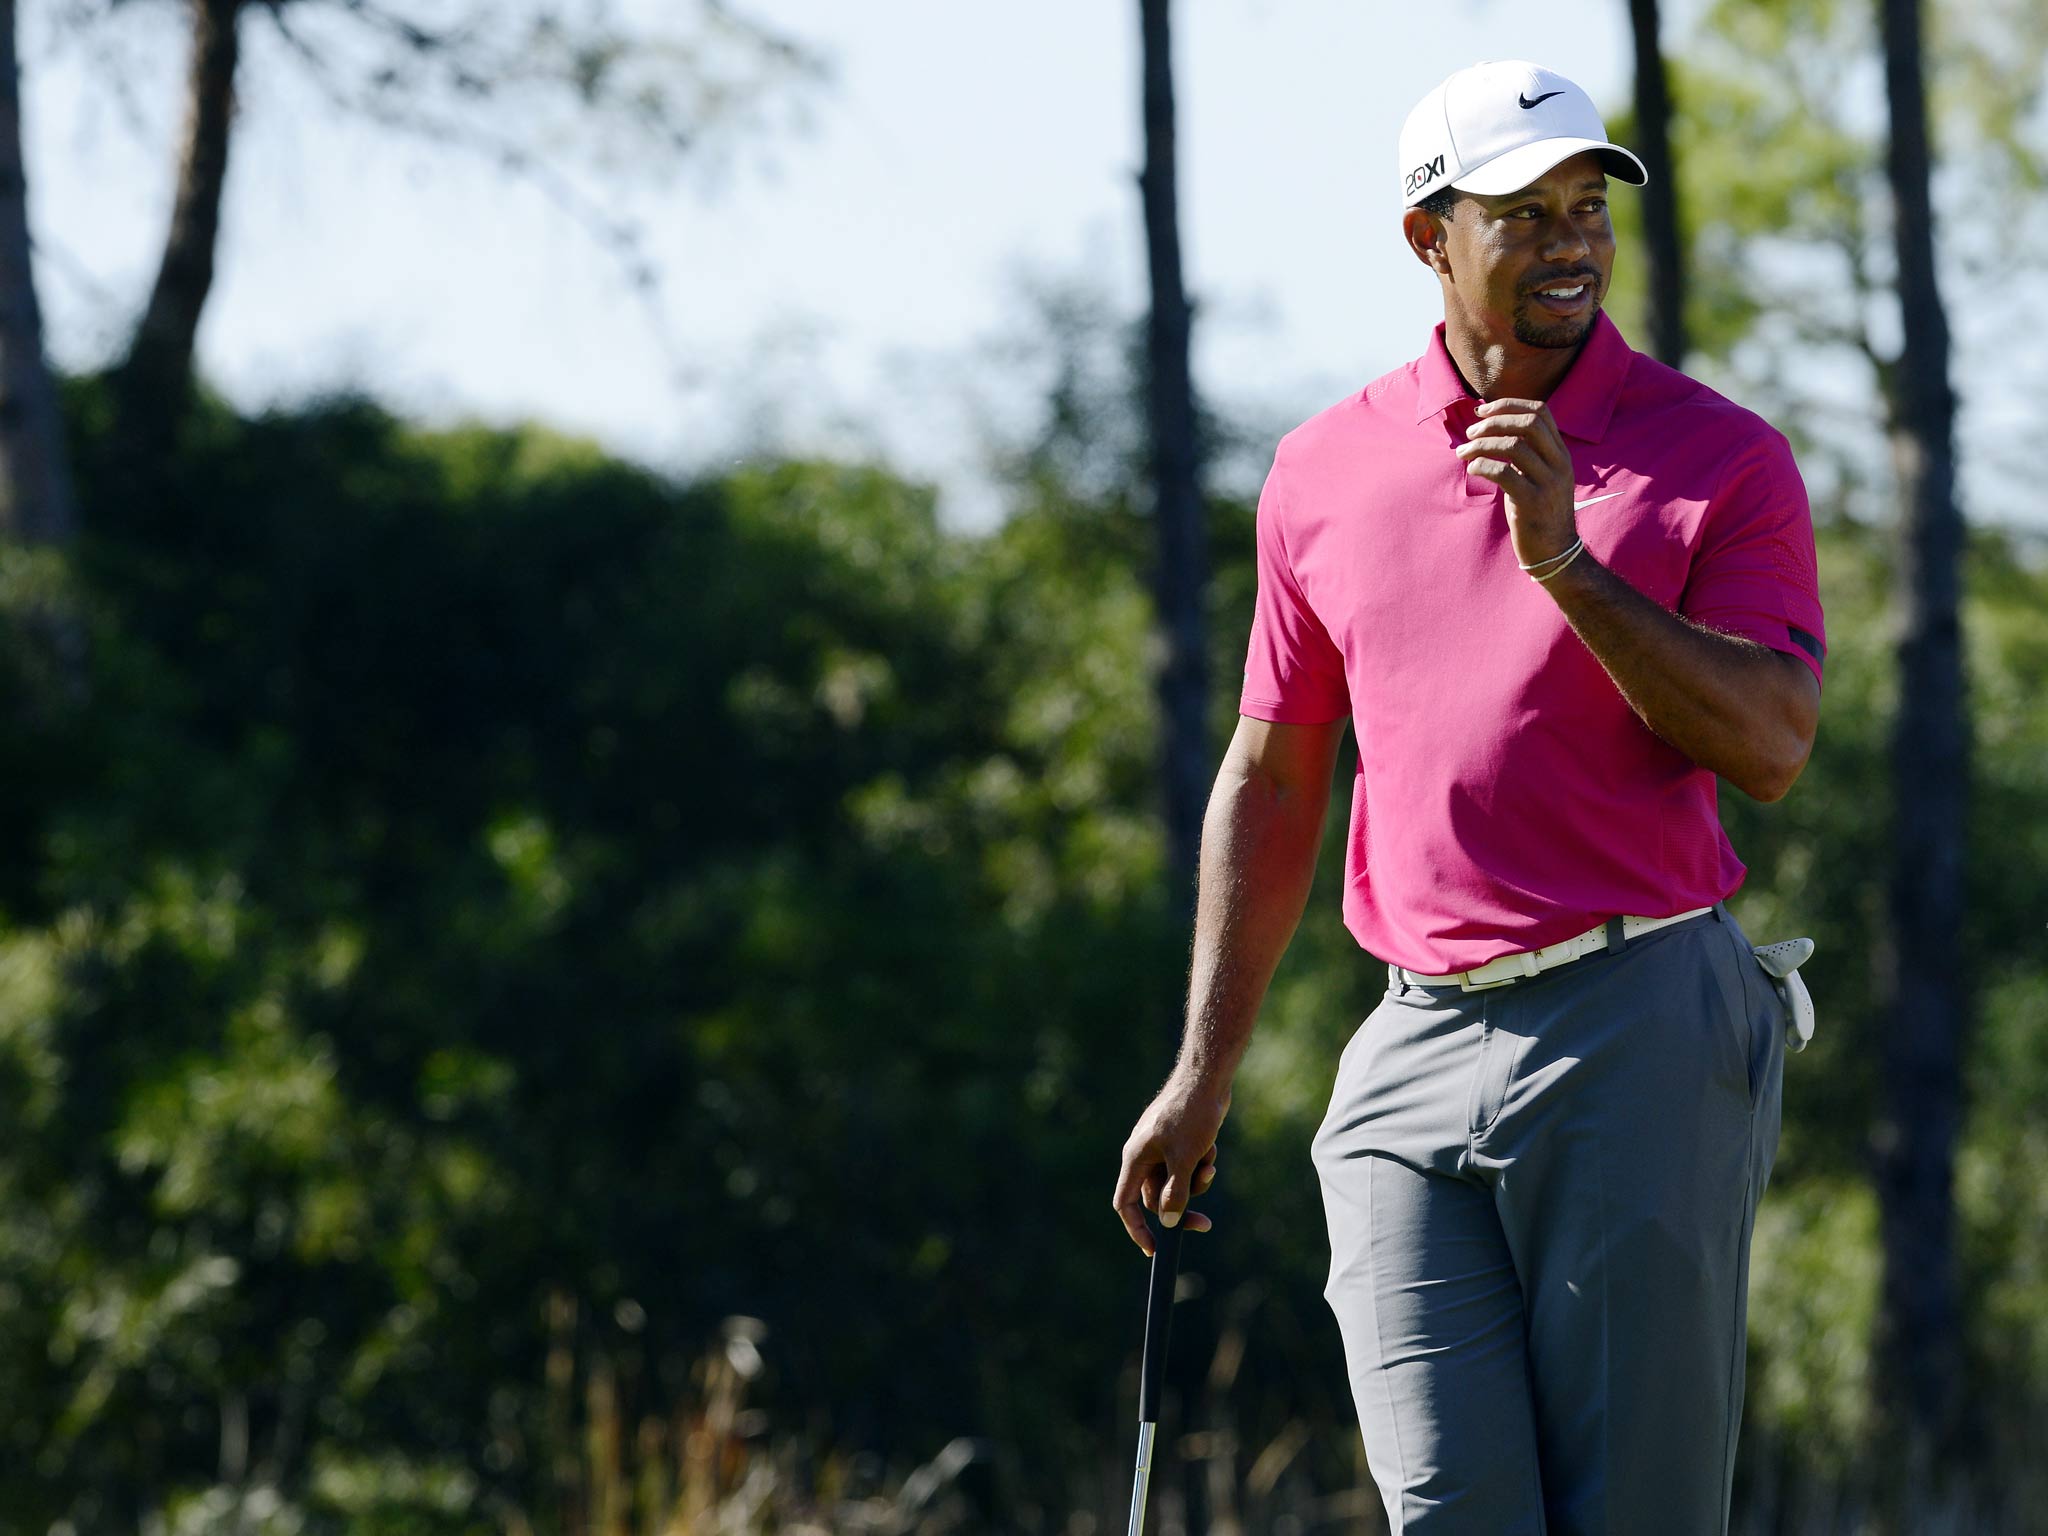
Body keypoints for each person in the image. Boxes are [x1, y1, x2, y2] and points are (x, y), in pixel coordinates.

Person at [1109, 59, 1825, 1535]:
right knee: (1448, 1510)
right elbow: (1275, 770)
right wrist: (1202, 1069)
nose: (1572, 240)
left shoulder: (1720, 459)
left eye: (1589, 208)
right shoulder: (1322, 470)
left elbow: (1770, 741)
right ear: (1429, 237)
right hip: (1411, 1043)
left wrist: (1568, 558)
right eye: (1525, 213)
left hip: (1638, 1021)